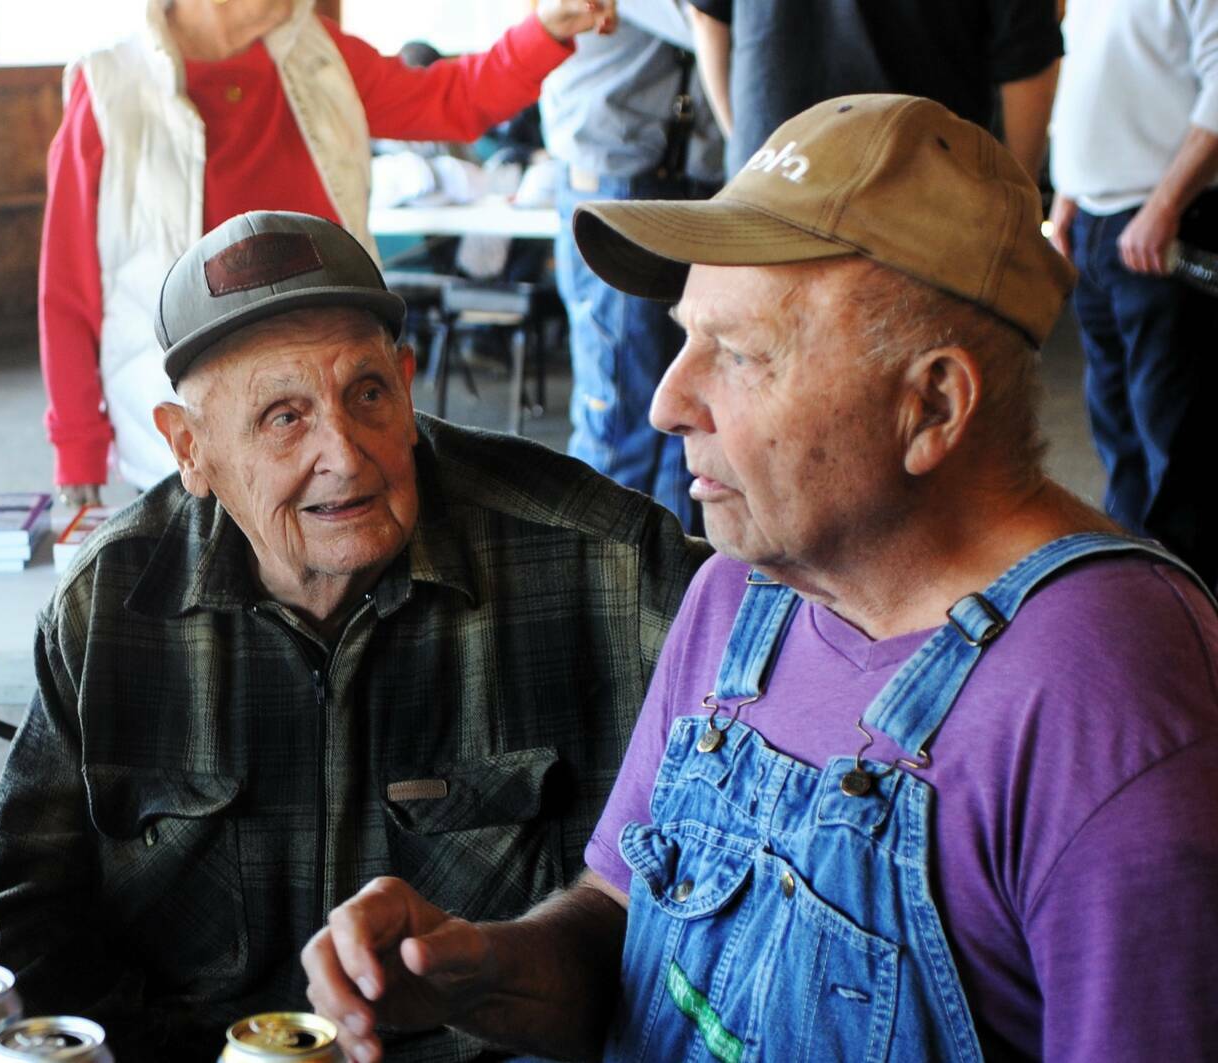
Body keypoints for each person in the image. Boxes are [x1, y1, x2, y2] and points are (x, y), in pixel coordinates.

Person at [302, 95, 1218, 1063]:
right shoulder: (743, 594)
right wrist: (474, 972)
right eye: (685, 337)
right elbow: (621, 924)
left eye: (736, 355)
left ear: (931, 404)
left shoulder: (1107, 699)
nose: (664, 402)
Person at [0, 210, 706, 1062]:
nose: (346, 455)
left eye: (366, 394)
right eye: (283, 416)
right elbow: (24, 910)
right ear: (189, 447)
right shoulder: (112, 606)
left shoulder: (607, 565)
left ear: (406, 383)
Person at [39, 0, 618, 506]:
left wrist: (545, 28)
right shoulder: (111, 87)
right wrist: (77, 450)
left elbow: (452, 100)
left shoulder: (321, 56)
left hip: (335, 418)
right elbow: (69, 288)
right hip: (187, 430)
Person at [1047, 0, 1218, 586]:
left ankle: (1186, 603)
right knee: (1115, 421)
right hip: (1096, 224)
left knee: (1170, 431)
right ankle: (1131, 584)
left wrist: (1164, 206)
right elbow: (1085, 83)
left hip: (1159, 223)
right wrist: (1067, 193)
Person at [542, 0, 722, 532]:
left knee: (690, 415)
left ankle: (673, 601)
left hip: (700, 181)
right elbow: (713, 22)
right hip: (619, 183)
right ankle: (597, 600)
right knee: (620, 413)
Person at [687, 0, 1060, 179]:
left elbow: (706, 16)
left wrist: (750, 148)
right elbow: (1027, 65)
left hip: (770, 176)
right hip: (917, 187)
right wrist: (1016, 200)